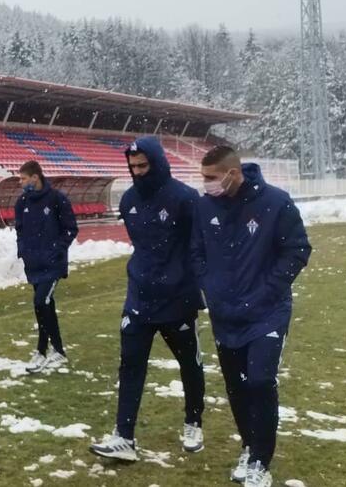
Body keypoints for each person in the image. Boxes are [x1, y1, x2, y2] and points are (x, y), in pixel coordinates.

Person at [190, 146, 311, 487]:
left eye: (211, 178)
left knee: (259, 381)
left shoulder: (275, 202)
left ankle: (261, 460)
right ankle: (248, 445)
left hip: (266, 312)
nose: (206, 184)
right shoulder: (204, 207)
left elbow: (298, 249)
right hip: (224, 314)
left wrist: (267, 290)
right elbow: (195, 251)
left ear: (233, 173)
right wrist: (209, 285)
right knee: (237, 386)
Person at [90, 136, 206, 463]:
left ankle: (193, 421)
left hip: (178, 300)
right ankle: (124, 437)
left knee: (189, 363)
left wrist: (194, 286)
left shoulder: (185, 198)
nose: (138, 172)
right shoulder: (128, 201)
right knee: (130, 366)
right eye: (133, 166)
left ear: (157, 161)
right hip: (139, 298)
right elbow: (143, 246)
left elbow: (198, 247)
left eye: (143, 165)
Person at [14, 160, 78, 374]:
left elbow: (71, 228)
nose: (20, 182)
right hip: (34, 264)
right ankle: (56, 351)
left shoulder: (57, 199)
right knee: (44, 306)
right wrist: (23, 250)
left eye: (23, 178)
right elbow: (20, 230)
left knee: (41, 301)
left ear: (35, 177)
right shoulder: (22, 202)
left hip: (52, 264)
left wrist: (56, 250)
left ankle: (42, 350)